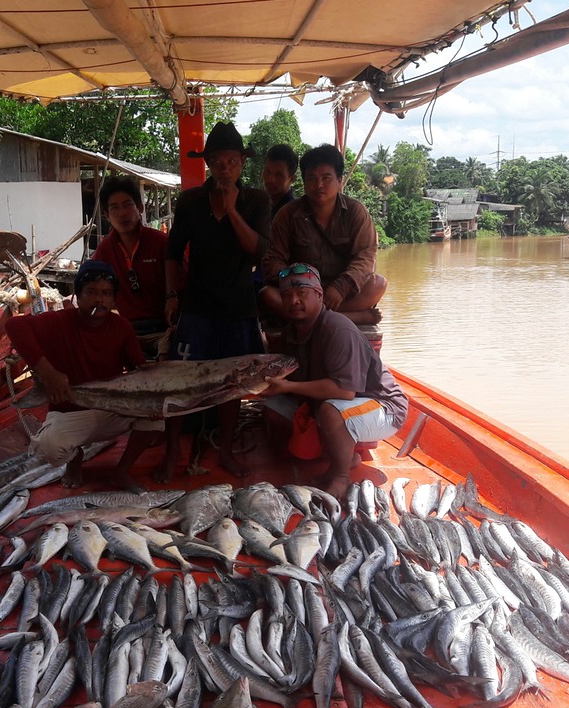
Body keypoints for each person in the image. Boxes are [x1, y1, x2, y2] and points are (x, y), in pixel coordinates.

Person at [159, 121, 271, 481]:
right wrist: (172, 294)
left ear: (242, 163)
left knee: (233, 385)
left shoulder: (256, 200)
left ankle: (224, 450)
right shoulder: (190, 201)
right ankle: (172, 451)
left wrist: (233, 209)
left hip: (238, 308)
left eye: (232, 161)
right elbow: (174, 253)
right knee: (181, 381)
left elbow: (257, 251)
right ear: (207, 162)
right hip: (196, 307)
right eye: (218, 161)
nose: (225, 168)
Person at [3, 259, 163, 491]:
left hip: (112, 409)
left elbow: (138, 370)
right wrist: (49, 374)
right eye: (91, 292)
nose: (99, 299)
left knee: (156, 419)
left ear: (113, 298)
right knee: (47, 447)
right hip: (70, 412)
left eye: (107, 293)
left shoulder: (122, 327)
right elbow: (14, 327)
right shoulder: (59, 321)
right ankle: (74, 459)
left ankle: (121, 471)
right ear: (77, 295)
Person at [259, 262, 409, 497]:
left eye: (302, 294)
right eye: (287, 295)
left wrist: (287, 386)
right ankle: (344, 455)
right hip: (339, 404)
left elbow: (344, 391)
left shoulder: (338, 330)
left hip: (383, 407)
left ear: (319, 295)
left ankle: (340, 476)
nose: (294, 301)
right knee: (272, 410)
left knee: (331, 410)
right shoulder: (292, 331)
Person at [261, 144, 387, 326]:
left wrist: (340, 287)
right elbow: (272, 261)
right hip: (302, 293)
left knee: (378, 284)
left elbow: (366, 258)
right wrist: (301, 284)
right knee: (268, 294)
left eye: (326, 178)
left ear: (339, 181)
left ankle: (316, 315)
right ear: (303, 182)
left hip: (341, 294)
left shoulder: (355, 212)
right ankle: (350, 317)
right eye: (311, 178)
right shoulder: (287, 215)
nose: (318, 185)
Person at [91, 176, 168, 354]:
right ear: (106, 215)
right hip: (127, 329)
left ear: (140, 208)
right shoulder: (105, 250)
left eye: (127, 205)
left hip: (165, 329)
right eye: (114, 208)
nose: (122, 213)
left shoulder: (160, 242)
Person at [262, 143, 299, 218]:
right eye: (267, 172)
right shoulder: (259, 203)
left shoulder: (292, 214)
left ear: (292, 179)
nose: (270, 179)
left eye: (279, 175)